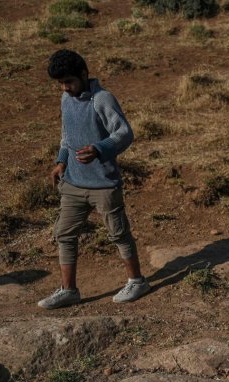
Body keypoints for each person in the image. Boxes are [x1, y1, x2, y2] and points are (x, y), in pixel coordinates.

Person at [38, 49, 149, 309]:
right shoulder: (66, 100)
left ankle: (137, 281)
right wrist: (61, 161)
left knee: (119, 234)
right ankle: (69, 290)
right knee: (64, 234)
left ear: (84, 74)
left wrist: (100, 148)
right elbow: (66, 135)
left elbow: (124, 133)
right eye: (61, 83)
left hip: (103, 185)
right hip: (73, 183)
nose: (66, 88)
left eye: (70, 82)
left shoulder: (102, 99)